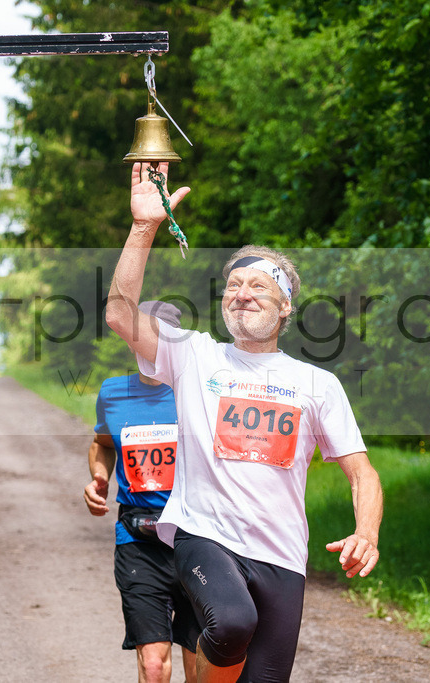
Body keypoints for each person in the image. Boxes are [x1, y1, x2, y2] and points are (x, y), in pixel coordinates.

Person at [105, 163, 384, 683]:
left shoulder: (318, 385)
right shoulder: (195, 357)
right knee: (231, 622)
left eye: (259, 285)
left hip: (281, 557)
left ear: (285, 307)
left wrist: (366, 533)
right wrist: (144, 228)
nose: (243, 293)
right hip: (204, 535)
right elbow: (121, 315)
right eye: (233, 285)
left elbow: (363, 474)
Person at [85, 300, 199, 683]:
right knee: (153, 664)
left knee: (199, 668)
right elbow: (102, 443)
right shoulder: (113, 393)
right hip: (139, 539)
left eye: (161, 338)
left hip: (198, 539)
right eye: (144, 337)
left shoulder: (199, 392)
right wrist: (99, 477)